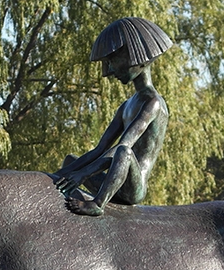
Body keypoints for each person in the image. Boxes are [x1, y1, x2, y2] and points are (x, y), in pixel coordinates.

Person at [54, 17, 172, 216]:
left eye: (111, 61)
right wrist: (61, 175)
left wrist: (83, 174)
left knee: (124, 151)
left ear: (137, 58)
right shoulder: (126, 105)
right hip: (114, 179)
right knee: (69, 162)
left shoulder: (153, 103)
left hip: (133, 186)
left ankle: (98, 204)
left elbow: (123, 147)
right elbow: (100, 149)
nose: (106, 72)